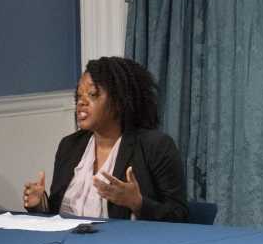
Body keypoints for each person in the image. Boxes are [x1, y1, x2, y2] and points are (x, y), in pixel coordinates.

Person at [23, 57, 188, 222]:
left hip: (124, 239)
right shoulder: (69, 146)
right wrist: (40, 205)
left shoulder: (155, 146)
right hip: (68, 238)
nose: (81, 102)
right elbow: (57, 215)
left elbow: (179, 216)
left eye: (92, 94)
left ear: (118, 102)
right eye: (79, 95)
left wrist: (137, 203)